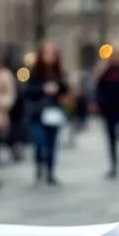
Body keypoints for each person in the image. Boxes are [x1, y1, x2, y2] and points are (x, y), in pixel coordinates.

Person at [25, 41, 69, 185]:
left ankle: (50, 172)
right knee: (39, 141)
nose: (50, 56)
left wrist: (59, 88)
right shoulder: (35, 72)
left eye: (52, 53)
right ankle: (39, 165)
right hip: (38, 113)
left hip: (53, 113)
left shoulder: (59, 72)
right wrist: (43, 89)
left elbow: (66, 90)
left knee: (51, 144)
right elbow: (27, 91)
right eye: (47, 53)